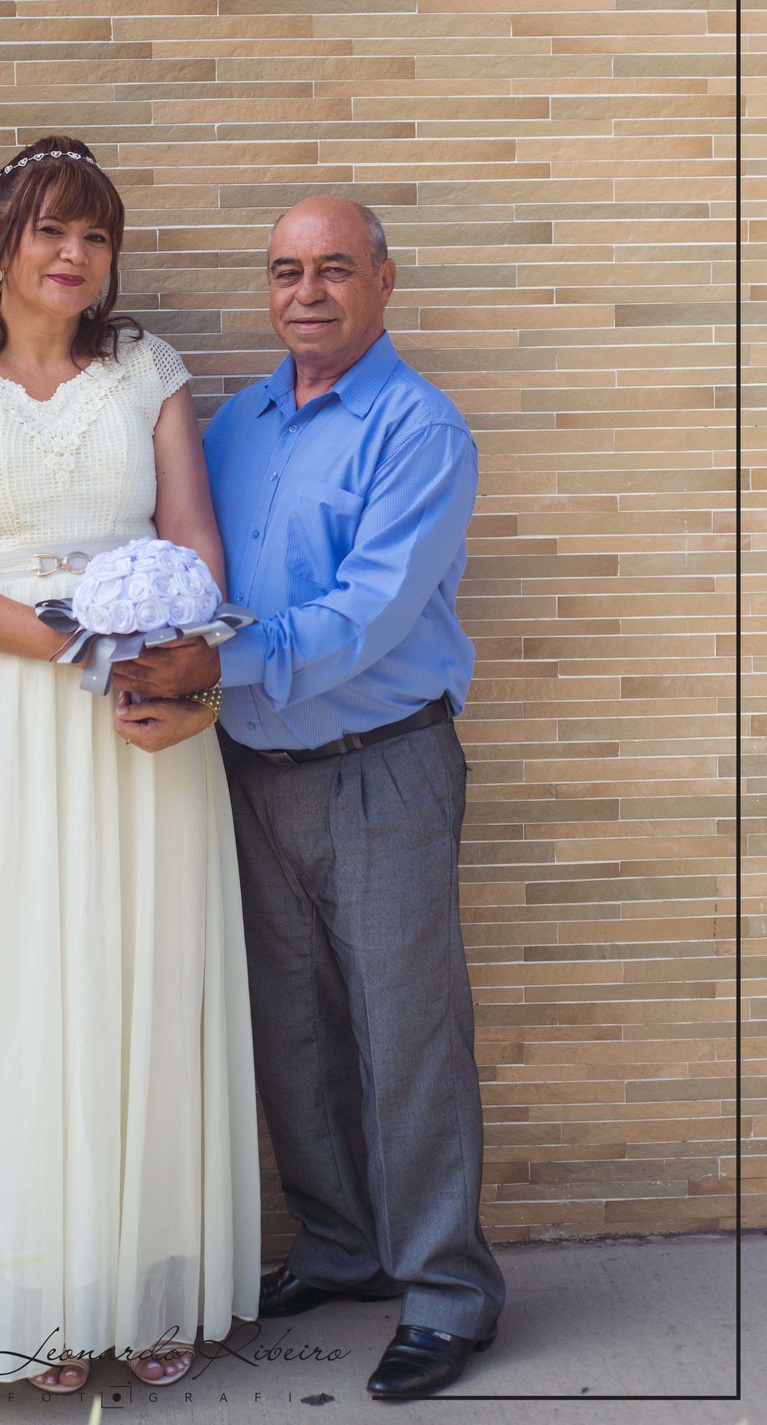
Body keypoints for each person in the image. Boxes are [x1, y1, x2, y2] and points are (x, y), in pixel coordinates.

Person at [0, 135, 260, 1397]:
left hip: (141, 716)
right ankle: (38, 1296)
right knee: (24, 988)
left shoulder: (148, 369)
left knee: (148, 976)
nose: (74, 254)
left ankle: (150, 1284)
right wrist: (69, 641)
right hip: (9, 712)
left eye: (96, 235)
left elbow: (195, 544)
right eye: (50, 228)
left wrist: (177, 664)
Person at [112, 194, 505, 1403]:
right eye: (287, 270)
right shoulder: (238, 424)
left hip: (382, 766)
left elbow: (368, 613)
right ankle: (340, 1245)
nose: (308, 291)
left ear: (384, 281)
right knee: (289, 1028)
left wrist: (214, 667)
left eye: (335, 267)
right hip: (249, 771)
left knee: (407, 1037)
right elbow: (193, 573)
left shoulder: (419, 429)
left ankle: (447, 1290)